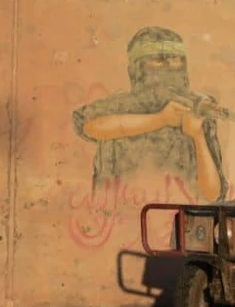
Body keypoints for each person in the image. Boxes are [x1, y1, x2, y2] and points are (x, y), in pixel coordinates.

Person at [72, 27, 227, 203]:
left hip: (180, 221)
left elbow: (213, 193)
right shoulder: (120, 105)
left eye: (175, 59)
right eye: (158, 60)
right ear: (138, 67)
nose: (169, 66)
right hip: (124, 216)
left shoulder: (196, 110)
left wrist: (197, 136)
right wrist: (160, 119)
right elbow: (91, 127)